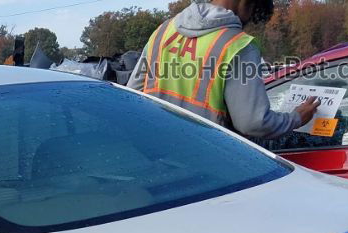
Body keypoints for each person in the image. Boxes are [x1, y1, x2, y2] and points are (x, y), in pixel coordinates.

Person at [127, 0, 320, 139]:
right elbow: (253, 123)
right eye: (254, 10)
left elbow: (130, 95)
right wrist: (296, 118)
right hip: (209, 160)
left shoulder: (163, 30)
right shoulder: (238, 45)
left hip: (154, 151)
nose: (249, 20)